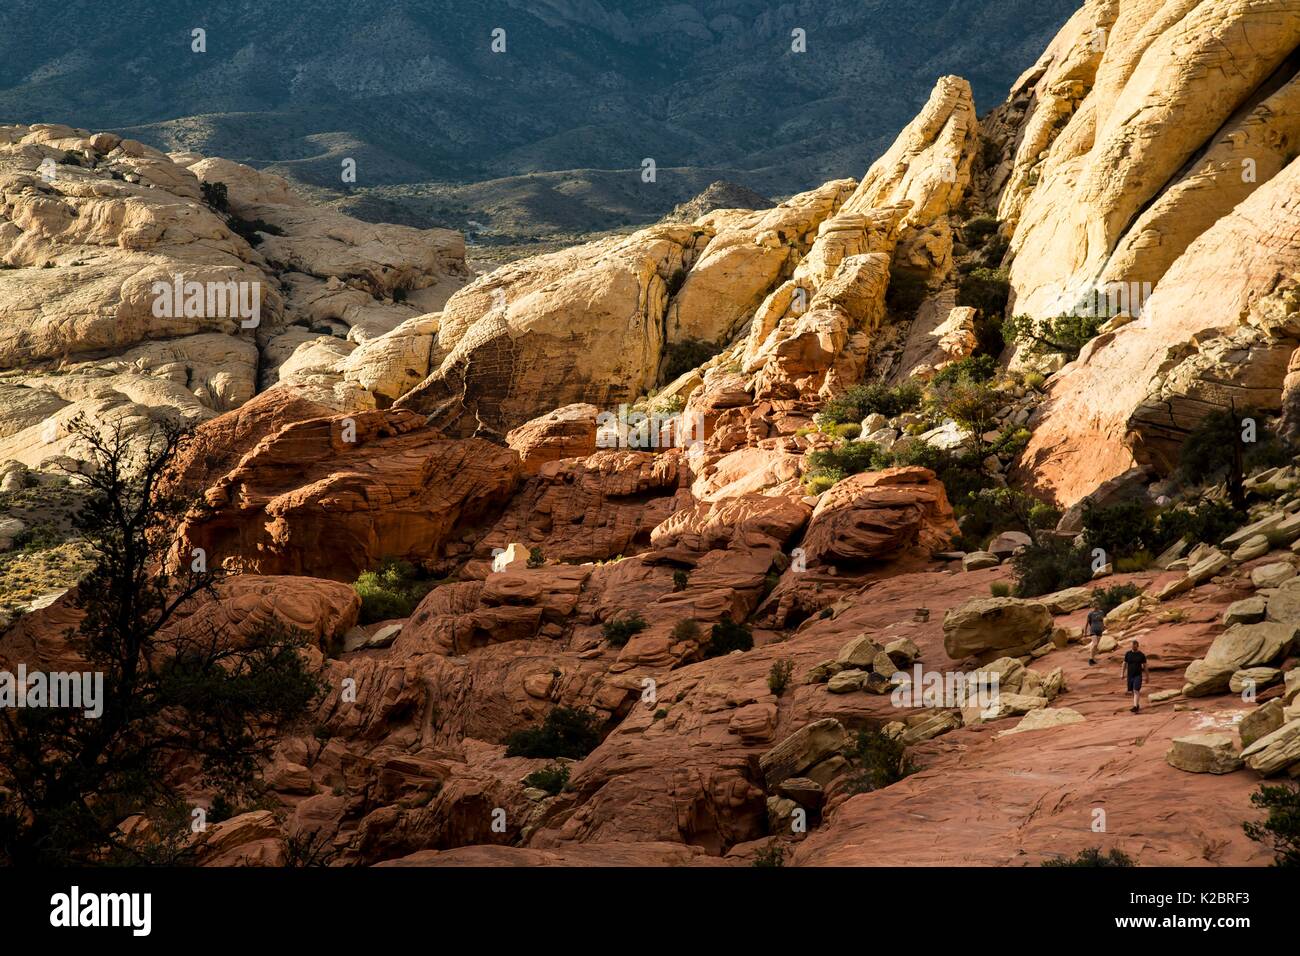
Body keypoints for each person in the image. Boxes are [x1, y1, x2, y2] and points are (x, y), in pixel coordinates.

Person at [1121, 639, 1148, 713]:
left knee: (1136, 690)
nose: (1133, 646)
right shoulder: (1128, 654)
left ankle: (1135, 706)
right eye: (1132, 645)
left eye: (1134, 645)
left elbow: (1145, 666)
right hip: (1130, 676)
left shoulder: (1141, 655)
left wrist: (1147, 676)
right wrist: (1122, 674)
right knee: (1133, 691)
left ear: (1137, 646)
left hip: (1138, 675)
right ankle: (1136, 705)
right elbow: (1124, 664)